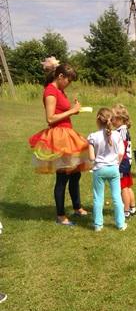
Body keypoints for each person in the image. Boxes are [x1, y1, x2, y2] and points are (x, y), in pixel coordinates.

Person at [29, 62, 92, 226]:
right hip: (59, 136)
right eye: (69, 80)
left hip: (67, 133)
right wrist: (72, 110)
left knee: (76, 173)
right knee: (63, 176)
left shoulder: (60, 90)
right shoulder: (50, 91)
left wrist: (73, 108)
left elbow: (61, 111)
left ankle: (77, 208)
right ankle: (60, 215)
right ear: (60, 76)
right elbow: (50, 118)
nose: (69, 84)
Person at [87, 108, 127, 231]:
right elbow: (121, 153)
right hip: (114, 169)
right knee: (116, 197)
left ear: (98, 120)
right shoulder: (117, 135)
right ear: (112, 119)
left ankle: (98, 225)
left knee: (98, 197)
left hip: (99, 169)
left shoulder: (92, 137)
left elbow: (91, 157)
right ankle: (120, 224)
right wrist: (116, 164)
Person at [112, 104, 136, 218]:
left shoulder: (120, 132)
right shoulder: (123, 130)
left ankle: (125, 211)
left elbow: (121, 148)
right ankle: (132, 207)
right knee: (127, 185)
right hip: (127, 162)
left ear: (120, 119)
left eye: (113, 118)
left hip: (123, 162)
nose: (111, 120)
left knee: (123, 187)